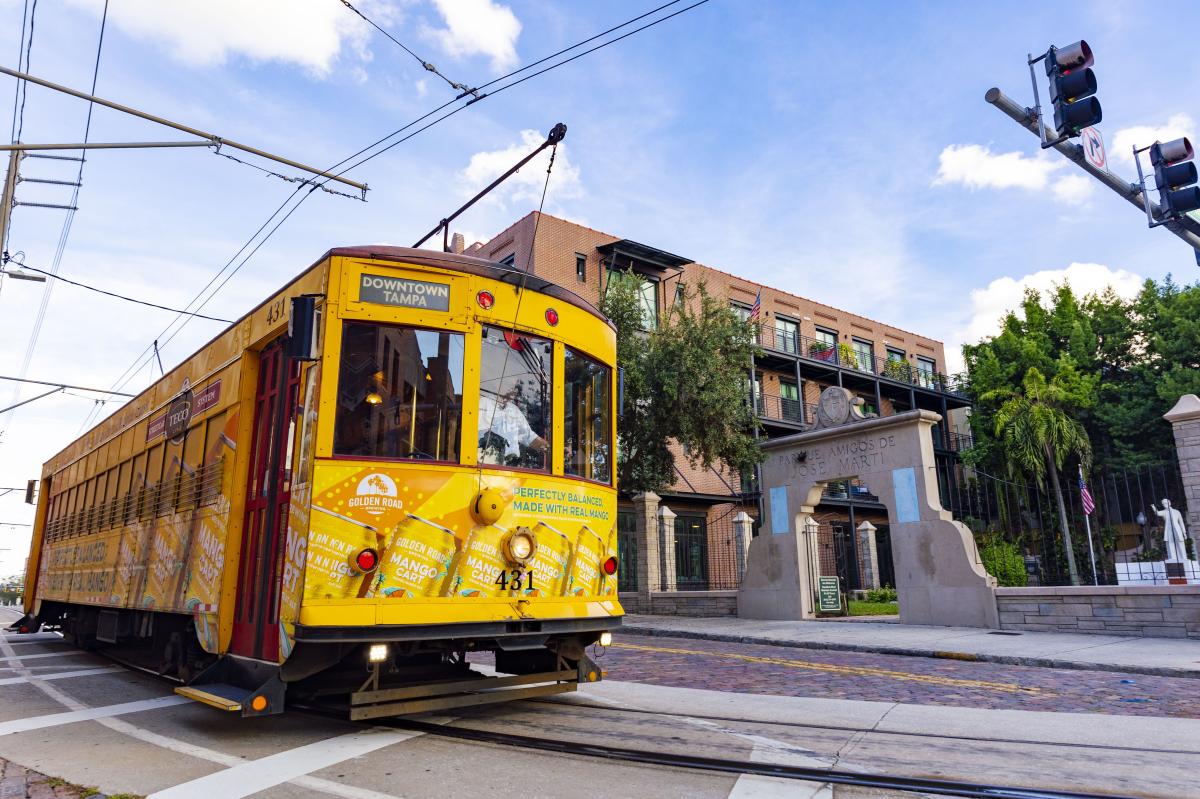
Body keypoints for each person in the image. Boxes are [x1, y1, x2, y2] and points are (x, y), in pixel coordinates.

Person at [478, 385, 548, 465]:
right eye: (510, 385)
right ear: (498, 385)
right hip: (487, 464)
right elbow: (475, 435)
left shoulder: (514, 410)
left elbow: (530, 437)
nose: (514, 390)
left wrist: (550, 449)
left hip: (512, 467)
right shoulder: (483, 403)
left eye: (515, 387)